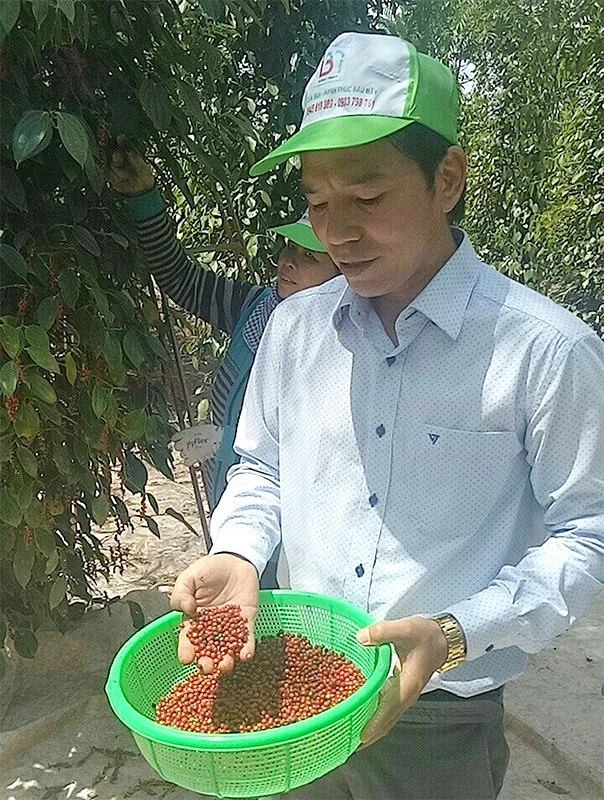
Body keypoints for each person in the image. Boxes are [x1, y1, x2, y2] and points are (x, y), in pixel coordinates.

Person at [170, 32, 604, 799]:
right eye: (317, 202)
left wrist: (456, 634)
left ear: (447, 179)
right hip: (296, 689)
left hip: (441, 723)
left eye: (367, 199)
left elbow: (587, 533)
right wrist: (238, 551)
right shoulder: (294, 330)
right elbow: (262, 468)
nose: (336, 231)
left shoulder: (545, 352)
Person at [108, 141, 339, 586]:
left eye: (308, 258)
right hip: (240, 508)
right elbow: (183, 280)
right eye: (288, 249)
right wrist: (143, 199)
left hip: (298, 536)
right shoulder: (256, 306)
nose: (287, 262)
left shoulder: (344, 341)